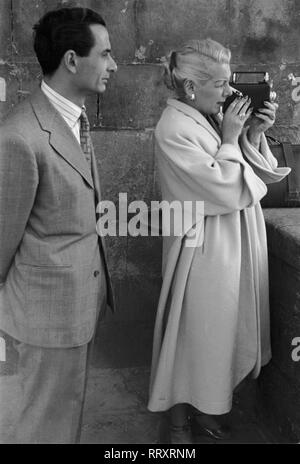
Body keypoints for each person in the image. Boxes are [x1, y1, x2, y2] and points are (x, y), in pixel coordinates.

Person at [147, 38, 290, 444]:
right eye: (222, 85)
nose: (231, 94)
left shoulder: (202, 117)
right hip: (202, 251)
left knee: (215, 335)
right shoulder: (173, 128)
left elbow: (243, 170)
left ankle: (206, 412)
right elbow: (225, 188)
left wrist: (253, 134)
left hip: (226, 244)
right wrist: (230, 137)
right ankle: (178, 424)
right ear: (192, 87)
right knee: (193, 336)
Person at [0, 7, 117, 443]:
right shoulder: (18, 136)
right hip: (45, 315)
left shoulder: (72, 120)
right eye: (105, 55)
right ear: (72, 60)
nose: (113, 65)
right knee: (45, 428)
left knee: (64, 421)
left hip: (77, 305)